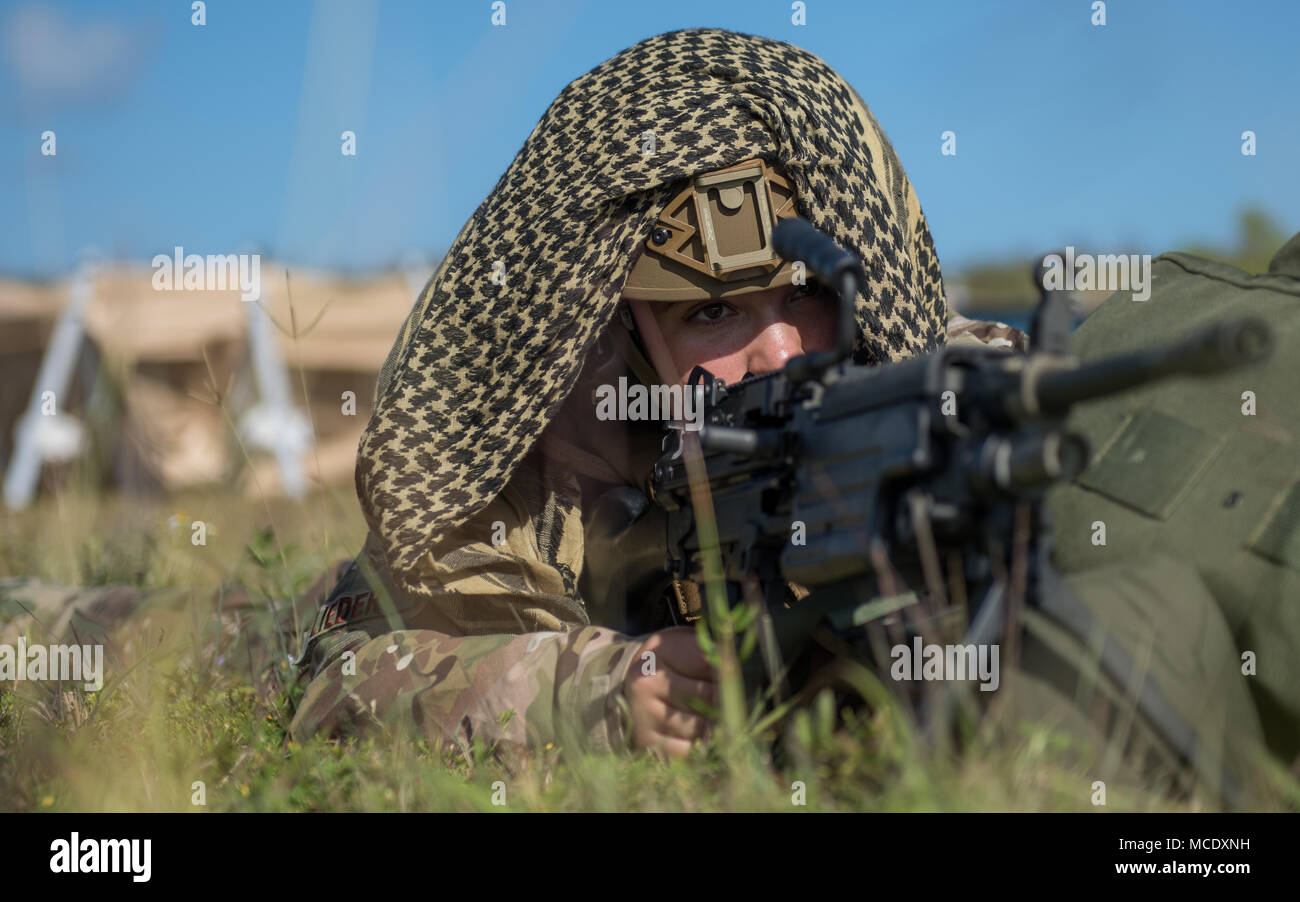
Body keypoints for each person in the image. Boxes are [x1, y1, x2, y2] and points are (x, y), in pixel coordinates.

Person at [286, 27, 1025, 763]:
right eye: (711, 313)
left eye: (808, 295)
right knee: (252, 625)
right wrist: (585, 691)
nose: (779, 351)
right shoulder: (537, 469)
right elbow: (337, 686)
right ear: (621, 328)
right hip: (292, 617)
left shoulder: (938, 392)